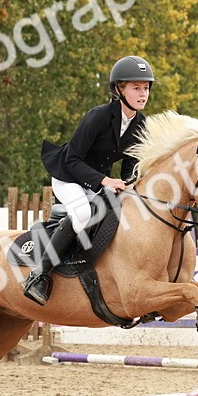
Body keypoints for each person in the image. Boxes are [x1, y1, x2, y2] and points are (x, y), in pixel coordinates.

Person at [23, 55, 154, 305]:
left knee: (118, 213)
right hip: (68, 176)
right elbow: (72, 159)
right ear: (119, 89)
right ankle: (38, 275)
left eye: (146, 88)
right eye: (136, 87)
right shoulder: (99, 116)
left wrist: (129, 185)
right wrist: (105, 181)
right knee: (83, 214)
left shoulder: (140, 124)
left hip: (96, 181)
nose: (143, 93)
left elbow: (128, 166)